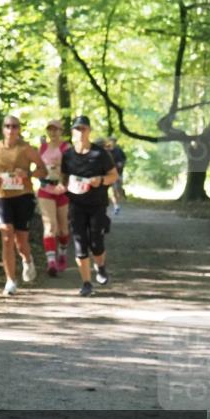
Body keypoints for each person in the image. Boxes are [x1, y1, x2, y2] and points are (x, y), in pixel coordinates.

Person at [0, 115, 47, 295]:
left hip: (22, 196)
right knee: (7, 236)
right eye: (7, 126)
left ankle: (27, 260)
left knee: (21, 241)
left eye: (15, 127)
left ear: (19, 129)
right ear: (3, 129)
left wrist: (28, 174)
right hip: (0, 197)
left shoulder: (26, 149)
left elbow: (43, 170)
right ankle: (10, 281)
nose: (11, 130)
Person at [61, 116, 119, 297]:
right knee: (80, 244)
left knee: (96, 244)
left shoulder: (100, 154)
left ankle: (100, 267)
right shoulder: (68, 155)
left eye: (84, 129)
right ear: (72, 132)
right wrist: (60, 188)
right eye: (77, 129)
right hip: (76, 205)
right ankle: (86, 283)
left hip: (97, 205)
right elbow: (64, 178)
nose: (80, 132)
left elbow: (113, 176)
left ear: (89, 131)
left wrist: (100, 180)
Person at [37, 119, 72, 276]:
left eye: (56, 129)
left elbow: (72, 168)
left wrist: (62, 177)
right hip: (46, 189)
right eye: (50, 129)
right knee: (50, 227)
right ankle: (51, 262)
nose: (53, 132)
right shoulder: (43, 147)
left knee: (63, 230)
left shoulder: (67, 147)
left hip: (63, 190)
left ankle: (62, 254)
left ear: (61, 131)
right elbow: (38, 168)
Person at [104, 138, 128, 214]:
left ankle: (117, 204)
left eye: (114, 141)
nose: (112, 143)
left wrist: (121, 163)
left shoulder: (118, 150)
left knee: (116, 190)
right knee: (109, 190)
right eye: (111, 141)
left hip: (118, 173)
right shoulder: (106, 150)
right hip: (107, 174)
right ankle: (114, 205)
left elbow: (124, 159)